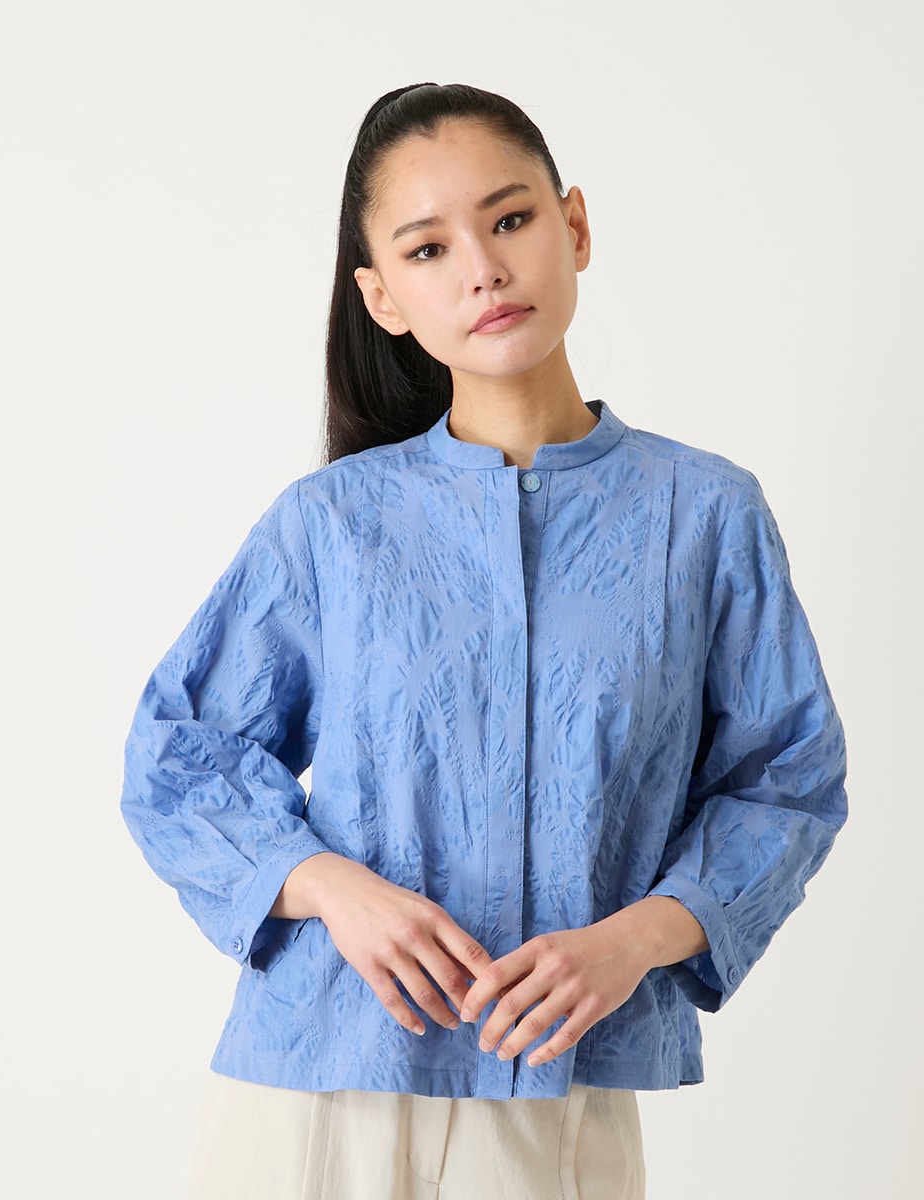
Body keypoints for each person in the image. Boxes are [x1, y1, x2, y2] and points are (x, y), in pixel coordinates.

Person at [121, 82, 847, 1199]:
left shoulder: (704, 515)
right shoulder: (331, 524)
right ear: (382, 297)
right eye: (427, 249)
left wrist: (635, 940)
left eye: (509, 220)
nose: (483, 269)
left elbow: (785, 783)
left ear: (576, 226)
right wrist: (329, 885)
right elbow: (177, 754)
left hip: (561, 1080)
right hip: (322, 1083)